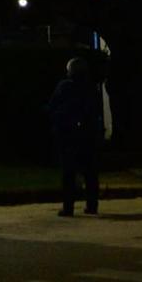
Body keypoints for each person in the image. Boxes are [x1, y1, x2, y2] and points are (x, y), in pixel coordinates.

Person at [46, 58, 104, 217]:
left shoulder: (64, 87)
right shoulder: (91, 88)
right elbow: (96, 110)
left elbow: (52, 107)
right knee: (90, 172)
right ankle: (92, 205)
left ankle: (68, 206)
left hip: (68, 135)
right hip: (87, 135)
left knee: (68, 172)